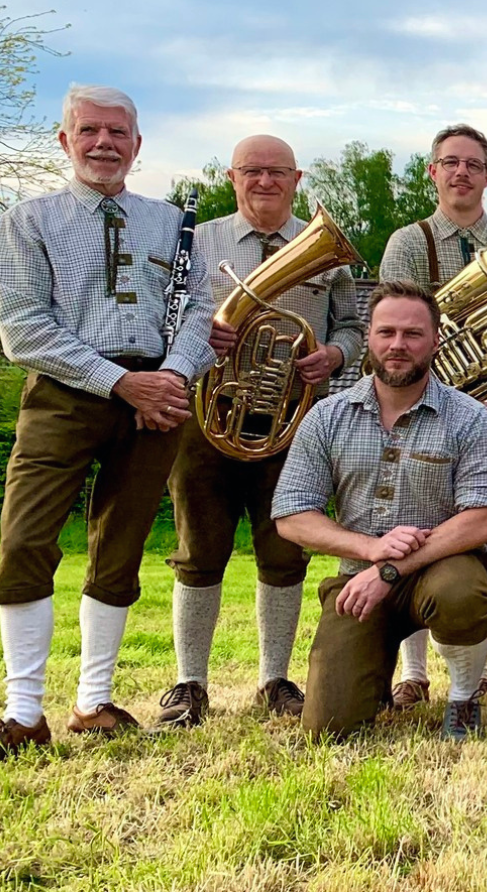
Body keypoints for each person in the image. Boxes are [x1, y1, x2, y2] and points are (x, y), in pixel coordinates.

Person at [0, 85, 216, 761]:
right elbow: (25, 331)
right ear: (65, 140)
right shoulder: (28, 220)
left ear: (137, 144)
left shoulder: (171, 222)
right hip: (65, 394)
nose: (104, 143)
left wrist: (172, 376)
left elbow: (199, 312)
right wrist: (121, 382)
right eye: (89, 131)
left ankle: (93, 702)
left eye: (117, 133)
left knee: (122, 544)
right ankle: (23, 714)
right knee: (25, 542)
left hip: (158, 396)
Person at [154, 135, 363, 730]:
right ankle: (189, 683)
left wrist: (335, 357)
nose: (264, 181)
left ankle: (274, 679)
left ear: (297, 178)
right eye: (252, 171)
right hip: (205, 417)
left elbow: (352, 325)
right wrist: (194, 342)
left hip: (294, 422)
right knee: (199, 550)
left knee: (285, 550)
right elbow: (164, 316)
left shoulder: (329, 249)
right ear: (232, 176)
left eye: (277, 172)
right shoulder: (197, 243)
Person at [269, 282, 487, 740]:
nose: (398, 345)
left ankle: (462, 699)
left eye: (413, 334)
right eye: (387, 332)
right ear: (370, 338)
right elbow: (291, 515)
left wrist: (389, 568)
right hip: (358, 581)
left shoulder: (471, 418)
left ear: (436, 340)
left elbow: (483, 519)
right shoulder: (326, 417)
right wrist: (370, 548)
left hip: (441, 571)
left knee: (463, 594)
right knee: (328, 730)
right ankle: (371, 677)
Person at [375, 123, 487, 709]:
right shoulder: (409, 240)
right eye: (450, 163)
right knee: (409, 527)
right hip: (421, 407)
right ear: (432, 172)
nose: (461, 173)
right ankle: (413, 673)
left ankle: (471, 665)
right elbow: (393, 330)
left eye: (474, 164)